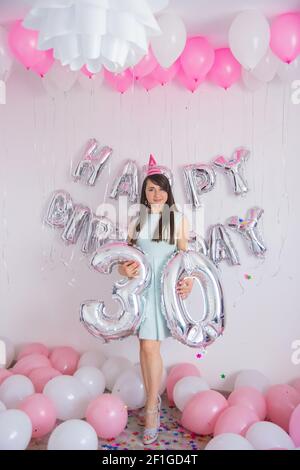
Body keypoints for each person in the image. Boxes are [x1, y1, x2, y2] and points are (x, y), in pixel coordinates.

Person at [118, 155, 194, 445]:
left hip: (162, 292)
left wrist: (186, 283)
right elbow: (124, 259)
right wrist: (123, 268)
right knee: (145, 346)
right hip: (139, 292)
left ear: (168, 191)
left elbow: (186, 261)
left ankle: (151, 408)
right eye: (150, 189)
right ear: (144, 193)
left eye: (160, 188)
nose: (156, 194)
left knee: (150, 346)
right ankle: (154, 402)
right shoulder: (136, 221)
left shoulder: (178, 220)